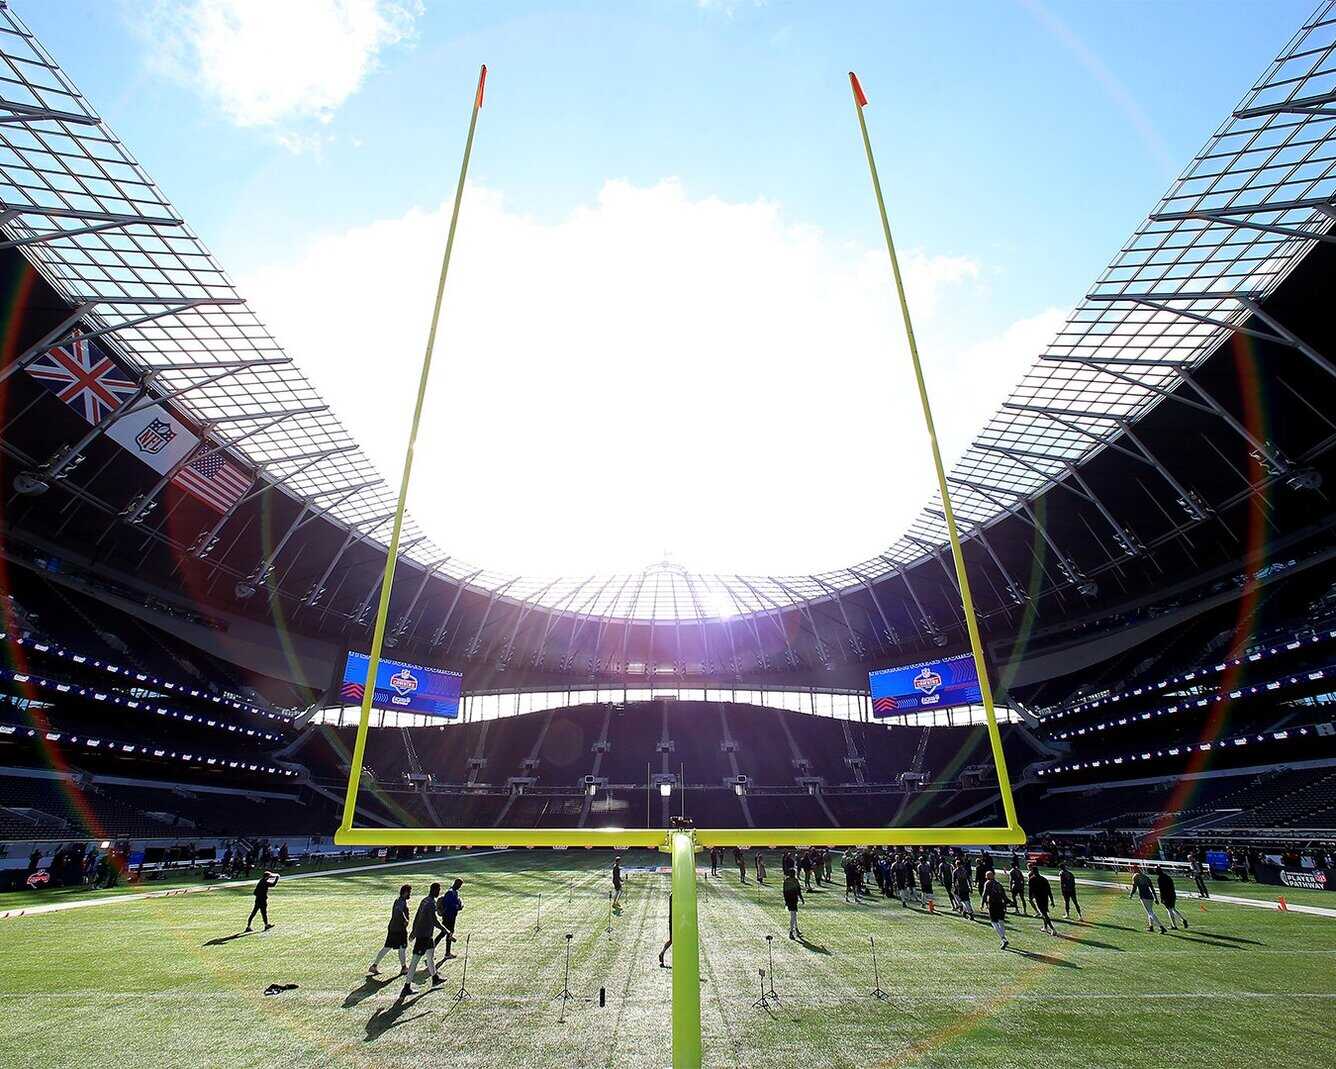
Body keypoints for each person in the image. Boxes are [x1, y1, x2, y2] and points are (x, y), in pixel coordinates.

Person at [402, 883, 446, 996]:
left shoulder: (425, 900)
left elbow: (417, 916)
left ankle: (435, 978)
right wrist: (445, 929)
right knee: (414, 962)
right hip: (424, 937)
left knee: (430, 957)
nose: (439, 892)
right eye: (439, 890)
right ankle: (406, 987)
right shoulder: (431, 903)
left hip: (427, 936)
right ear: (435, 890)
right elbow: (434, 920)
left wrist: (413, 930)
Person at [369, 884, 412, 976]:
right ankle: (404, 968)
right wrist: (405, 920)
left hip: (394, 928)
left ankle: (374, 966)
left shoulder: (400, 900)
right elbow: (398, 911)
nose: (410, 895)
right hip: (399, 929)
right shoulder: (401, 902)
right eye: (409, 893)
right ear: (405, 892)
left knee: (388, 947)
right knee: (402, 947)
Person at [1129, 865, 1167, 934]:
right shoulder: (1146, 877)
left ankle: (1161, 927)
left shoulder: (1135, 876)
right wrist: (1155, 898)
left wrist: (1131, 894)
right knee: (1150, 911)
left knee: (1150, 912)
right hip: (1150, 897)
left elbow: (1134, 887)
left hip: (1144, 897)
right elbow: (1152, 888)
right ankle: (1151, 926)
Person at [981, 870, 1010, 950]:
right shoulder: (998, 884)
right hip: (1000, 904)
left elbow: (985, 894)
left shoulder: (987, 883)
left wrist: (982, 903)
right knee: (1001, 921)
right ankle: (1003, 938)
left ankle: (1003, 939)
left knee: (994, 922)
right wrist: (1007, 901)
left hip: (992, 904)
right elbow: (1003, 894)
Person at [437, 878, 464, 959]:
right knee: (445, 933)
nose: (459, 886)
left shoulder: (454, 892)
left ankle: (447, 953)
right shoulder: (450, 892)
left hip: (452, 916)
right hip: (448, 916)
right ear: (456, 883)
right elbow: (449, 905)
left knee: (448, 933)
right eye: (459, 885)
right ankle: (433, 951)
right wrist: (458, 907)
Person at [1028, 863, 1057, 935]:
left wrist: (1030, 897)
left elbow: (1030, 890)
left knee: (1044, 913)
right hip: (1045, 897)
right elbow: (1049, 890)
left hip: (1038, 898)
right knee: (1044, 912)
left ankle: (1053, 929)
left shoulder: (1031, 879)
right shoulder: (1044, 879)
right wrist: (1052, 900)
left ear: (1032, 871)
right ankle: (1045, 927)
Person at [782, 869, 804, 940]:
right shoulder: (794, 880)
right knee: (793, 916)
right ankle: (791, 931)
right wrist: (801, 898)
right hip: (792, 900)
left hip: (791, 900)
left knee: (794, 915)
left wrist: (786, 901)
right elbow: (798, 890)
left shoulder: (787, 881)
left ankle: (796, 929)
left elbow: (784, 892)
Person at [659, 892, 673, 967]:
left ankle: (662, 953)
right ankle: (662, 953)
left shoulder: (672, 895)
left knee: (671, 940)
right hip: (674, 920)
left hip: (673, 920)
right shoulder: (674, 896)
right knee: (672, 940)